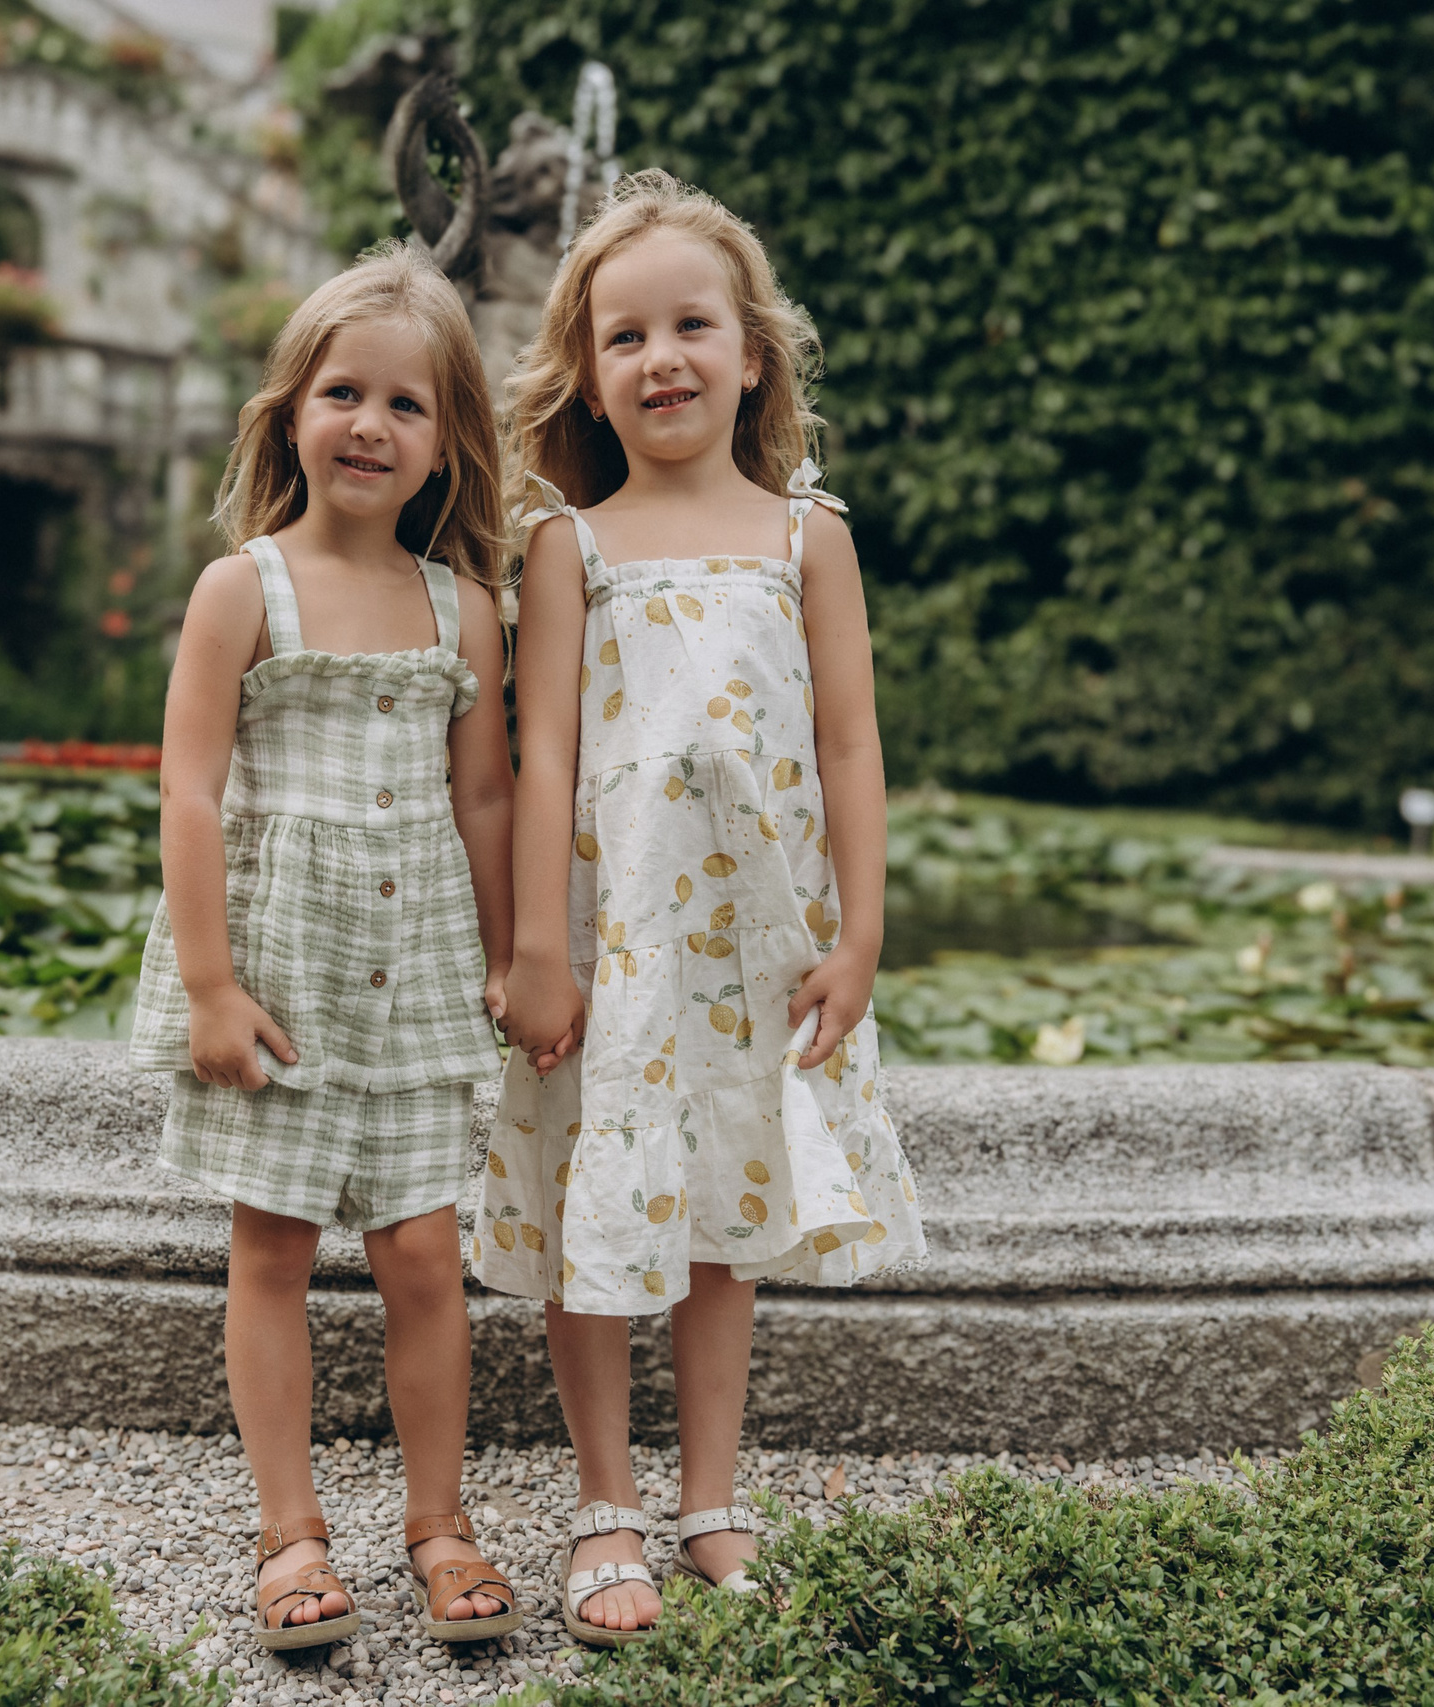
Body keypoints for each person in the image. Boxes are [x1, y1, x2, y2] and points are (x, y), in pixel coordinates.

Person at [477, 171, 928, 1646]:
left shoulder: (810, 537)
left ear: (752, 351)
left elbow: (851, 743)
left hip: (753, 941)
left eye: (691, 326)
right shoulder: (571, 546)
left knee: (727, 1218)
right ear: (591, 378)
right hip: (615, 947)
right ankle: (605, 1502)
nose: (662, 356)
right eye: (626, 336)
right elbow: (544, 755)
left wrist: (859, 931)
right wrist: (537, 951)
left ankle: (711, 1499)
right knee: (593, 1212)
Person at [127, 241, 524, 1652]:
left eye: (406, 405)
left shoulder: (461, 605)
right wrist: (210, 983)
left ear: (445, 442)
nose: (371, 424)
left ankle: (439, 1522)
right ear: (291, 411)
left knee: (425, 1254)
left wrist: (515, 952)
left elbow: (484, 793)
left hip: (413, 971)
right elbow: (188, 787)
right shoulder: (244, 589)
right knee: (274, 1249)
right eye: (343, 392)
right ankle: (290, 1532)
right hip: (283, 968)